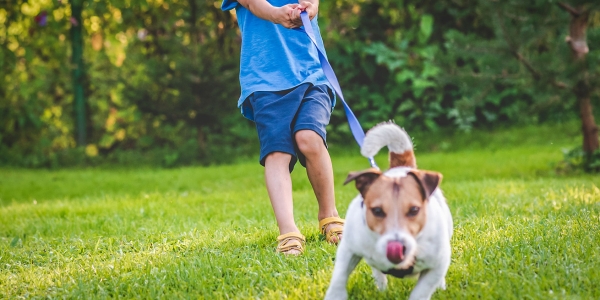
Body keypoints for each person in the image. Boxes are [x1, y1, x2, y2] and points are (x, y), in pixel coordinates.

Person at [221, 0, 344, 255]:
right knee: (278, 152)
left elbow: (312, 3)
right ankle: (288, 231)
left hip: (311, 73)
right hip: (266, 80)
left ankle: (329, 216)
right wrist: (277, 14)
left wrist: (310, 7)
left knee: (309, 138)